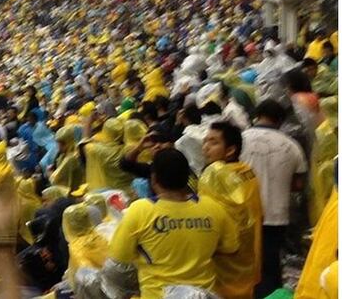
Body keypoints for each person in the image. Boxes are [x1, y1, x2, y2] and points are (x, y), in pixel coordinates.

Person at [106, 149, 239, 298]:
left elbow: (119, 260)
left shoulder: (139, 211)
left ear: (154, 178)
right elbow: (230, 248)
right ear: (186, 177)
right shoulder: (213, 208)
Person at [239, 99, 308, 297]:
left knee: (246, 264)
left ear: (257, 115)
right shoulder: (292, 146)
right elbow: (298, 185)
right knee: (271, 264)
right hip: (277, 215)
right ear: (280, 120)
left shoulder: (241, 139)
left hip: (246, 214)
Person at [199, 120, 263, 299]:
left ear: (230, 150)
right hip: (249, 256)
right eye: (205, 141)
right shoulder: (247, 170)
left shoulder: (215, 174)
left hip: (224, 263)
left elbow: (208, 217)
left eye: (214, 142)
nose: (206, 147)